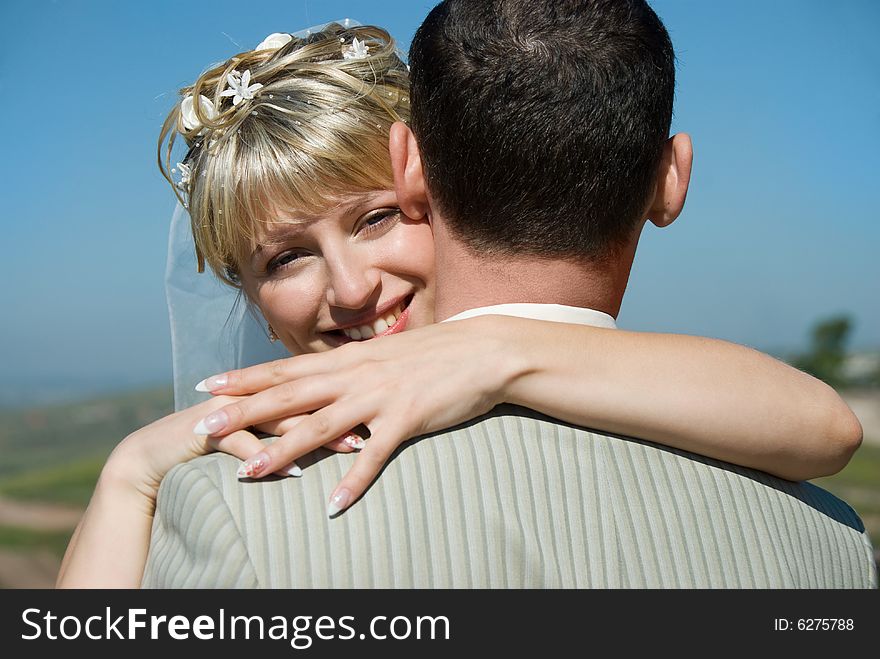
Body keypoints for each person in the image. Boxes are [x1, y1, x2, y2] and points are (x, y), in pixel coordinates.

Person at [59, 8, 872, 588]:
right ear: (252, 296)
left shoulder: (608, 381)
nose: (351, 289)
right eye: (285, 260)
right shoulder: (224, 496)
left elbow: (825, 426)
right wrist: (129, 473)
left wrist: (493, 352)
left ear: (431, 185)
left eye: (376, 218)